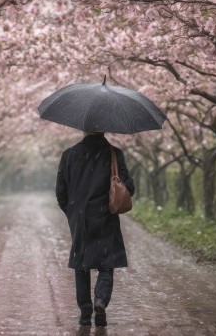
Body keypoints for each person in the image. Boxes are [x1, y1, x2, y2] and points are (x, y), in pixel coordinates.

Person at [55, 131, 135, 327]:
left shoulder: (69, 155)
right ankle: (100, 300)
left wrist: (73, 212)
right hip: (106, 215)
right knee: (106, 263)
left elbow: (60, 191)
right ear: (104, 129)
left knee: (81, 265)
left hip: (80, 217)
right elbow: (129, 188)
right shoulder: (114, 153)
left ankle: (85, 314)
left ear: (84, 129)